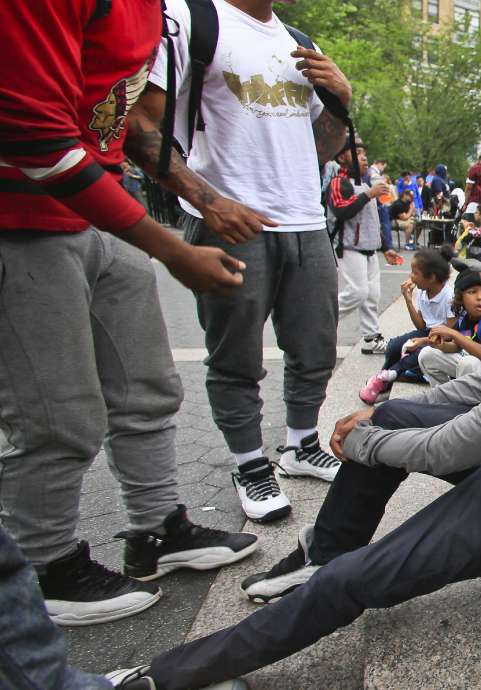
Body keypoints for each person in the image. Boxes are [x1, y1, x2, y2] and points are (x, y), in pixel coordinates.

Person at [127, 211, 481, 690]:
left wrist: (361, 442)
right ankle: (325, 552)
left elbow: (449, 447)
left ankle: (167, 677)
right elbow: (480, 386)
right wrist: (376, 417)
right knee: (392, 416)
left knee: (349, 581)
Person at [0, 0, 261, 629]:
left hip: (101, 204)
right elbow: (31, 133)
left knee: (146, 387)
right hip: (21, 215)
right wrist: (171, 247)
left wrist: (203, 200)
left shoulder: (155, 9)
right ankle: (42, 568)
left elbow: (128, 123)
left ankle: (156, 529)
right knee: (57, 414)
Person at [129, 0, 357, 523]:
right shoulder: (191, 19)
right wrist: (210, 202)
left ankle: (300, 445)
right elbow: (141, 124)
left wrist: (341, 100)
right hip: (230, 220)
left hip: (305, 220)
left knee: (315, 348)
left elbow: (323, 147)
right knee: (236, 358)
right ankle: (250, 463)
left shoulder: (299, 40)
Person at [328, 144, 400, 356]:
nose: (364, 158)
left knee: (372, 296)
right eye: (358, 154)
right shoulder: (338, 182)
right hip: (349, 247)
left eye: (364, 154)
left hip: (369, 248)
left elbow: (373, 218)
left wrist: (386, 247)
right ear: (343, 156)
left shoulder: (368, 183)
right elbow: (341, 210)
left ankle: (371, 337)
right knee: (357, 292)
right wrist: (368, 194)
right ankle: (321, 322)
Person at [360, 249, 457, 403]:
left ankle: (386, 378)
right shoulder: (423, 292)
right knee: (393, 346)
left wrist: (423, 341)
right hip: (427, 332)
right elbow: (420, 325)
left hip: (441, 339)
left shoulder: (449, 297)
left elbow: (450, 333)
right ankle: (384, 381)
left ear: (431, 277)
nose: (411, 277)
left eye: (415, 273)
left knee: (416, 352)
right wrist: (408, 299)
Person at [417, 268, 481, 387]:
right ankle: (442, 395)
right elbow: (456, 347)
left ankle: (461, 402)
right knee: (427, 354)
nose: (480, 297)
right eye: (472, 292)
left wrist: (453, 333)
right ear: (461, 297)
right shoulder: (464, 318)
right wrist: (441, 346)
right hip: (469, 369)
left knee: (468, 362)